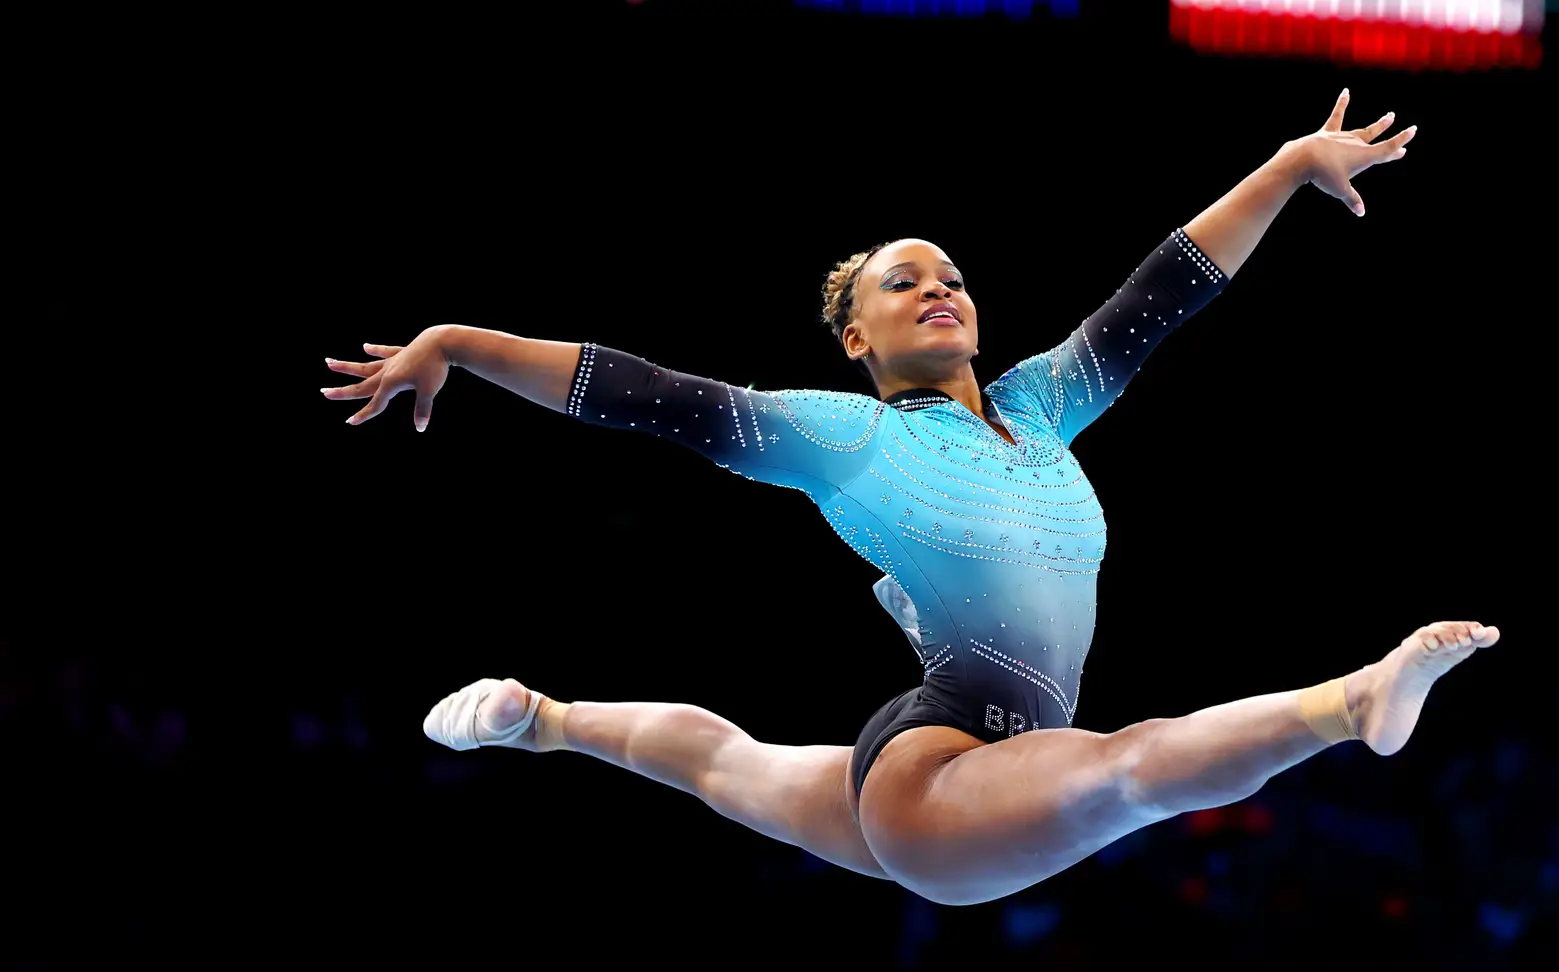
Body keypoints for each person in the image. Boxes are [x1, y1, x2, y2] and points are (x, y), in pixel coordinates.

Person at [322, 90, 1497, 907]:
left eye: (953, 277)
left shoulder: (1040, 407)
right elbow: (647, 394)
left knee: (727, 765)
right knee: (1129, 768)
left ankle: (545, 720)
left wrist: (1292, 167)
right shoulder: (847, 436)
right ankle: (1355, 703)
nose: (939, 289)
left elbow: (1164, 291)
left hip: (948, 776)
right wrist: (461, 343)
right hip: (946, 773)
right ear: (855, 336)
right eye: (904, 281)